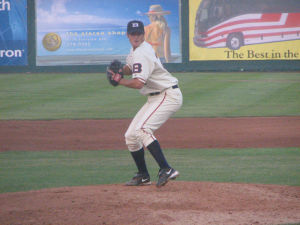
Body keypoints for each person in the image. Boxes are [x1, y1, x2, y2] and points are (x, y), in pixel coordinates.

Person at [110, 20, 183, 187]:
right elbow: (131, 67)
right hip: (156, 96)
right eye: (133, 34)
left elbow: (138, 83)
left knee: (143, 129)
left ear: (143, 35)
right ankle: (143, 175)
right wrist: (121, 70)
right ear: (128, 35)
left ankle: (166, 169)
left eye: (139, 34)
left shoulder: (142, 51)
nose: (136, 37)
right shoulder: (136, 50)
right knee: (131, 136)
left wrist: (119, 80)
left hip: (167, 95)